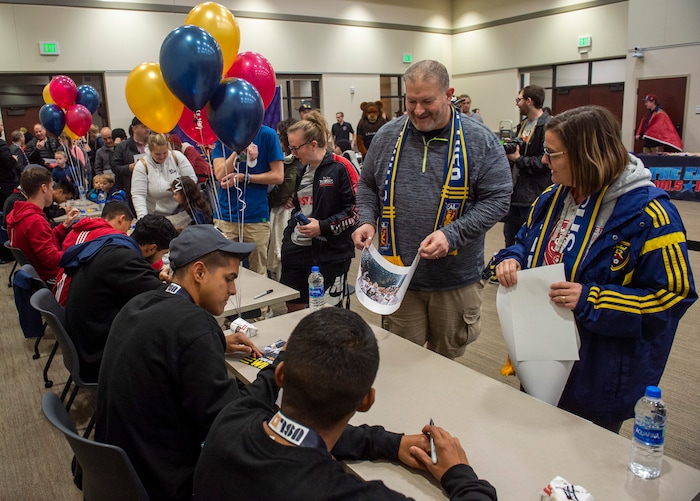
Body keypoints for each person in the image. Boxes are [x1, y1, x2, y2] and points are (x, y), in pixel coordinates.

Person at [493, 105, 697, 432]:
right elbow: (523, 241)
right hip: (540, 353)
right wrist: (511, 258)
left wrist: (592, 299)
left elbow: (673, 297)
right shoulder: (552, 197)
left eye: (551, 153)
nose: (543, 161)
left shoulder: (652, 215)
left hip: (599, 372)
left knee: (583, 464)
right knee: (531, 443)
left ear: (586, 156)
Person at [193, 308, 498, 501]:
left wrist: (391, 444)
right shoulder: (344, 492)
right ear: (367, 400)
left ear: (283, 374)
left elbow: (297, 428)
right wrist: (460, 475)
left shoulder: (233, 416)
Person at [95, 225, 281, 501]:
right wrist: (273, 373)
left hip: (115, 474)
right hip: (164, 482)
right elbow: (230, 421)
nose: (232, 290)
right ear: (199, 272)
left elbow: (168, 352)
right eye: (229, 279)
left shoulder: (142, 302)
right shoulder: (194, 327)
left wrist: (215, 340)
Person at [352, 60, 512, 360]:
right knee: (403, 362)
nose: (418, 110)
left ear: (448, 94)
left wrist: (452, 235)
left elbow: (499, 198)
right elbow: (367, 186)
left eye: (427, 101)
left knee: (446, 365)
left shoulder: (480, 140)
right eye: (411, 101)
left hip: (454, 281)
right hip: (397, 279)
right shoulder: (388, 136)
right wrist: (366, 220)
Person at [63, 214, 178, 381]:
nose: (161, 258)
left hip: (85, 339)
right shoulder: (125, 260)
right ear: (151, 248)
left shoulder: (115, 244)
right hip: (97, 355)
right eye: (163, 253)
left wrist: (155, 273)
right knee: (169, 345)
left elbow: (129, 275)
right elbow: (166, 299)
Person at [281, 111, 359, 312]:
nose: (293, 153)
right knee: (294, 306)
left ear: (313, 145)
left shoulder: (341, 167)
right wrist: (288, 239)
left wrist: (323, 227)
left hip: (330, 254)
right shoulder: (301, 169)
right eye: (290, 148)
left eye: (296, 148)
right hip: (297, 249)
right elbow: (299, 207)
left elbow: (355, 211)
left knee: (327, 313)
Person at [212, 124, 284, 276]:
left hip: (256, 215)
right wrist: (238, 151)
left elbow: (278, 176)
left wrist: (246, 178)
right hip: (226, 215)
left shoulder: (267, 135)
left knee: (258, 271)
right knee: (223, 269)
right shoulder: (224, 135)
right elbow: (220, 174)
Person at [53, 201, 134, 306]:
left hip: (63, 295)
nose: (126, 233)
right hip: (70, 303)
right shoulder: (113, 237)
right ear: (121, 219)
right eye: (127, 228)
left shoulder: (81, 229)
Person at [6, 166, 79, 281]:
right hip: (51, 277)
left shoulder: (17, 213)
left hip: (37, 274)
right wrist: (76, 249)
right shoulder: (35, 221)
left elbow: (43, 241)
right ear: (44, 188)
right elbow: (51, 261)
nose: (52, 191)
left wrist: (64, 225)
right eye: (51, 187)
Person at [503, 85, 551, 247]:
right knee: (510, 236)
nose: (517, 103)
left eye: (519, 99)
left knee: (528, 239)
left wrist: (519, 159)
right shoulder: (523, 125)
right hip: (516, 191)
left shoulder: (547, 126)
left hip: (533, 192)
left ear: (529, 101)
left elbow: (545, 161)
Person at [131, 133, 197, 219]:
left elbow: (192, 180)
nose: (162, 157)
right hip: (156, 215)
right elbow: (138, 195)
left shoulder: (177, 157)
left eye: (165, 153)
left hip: (182, 211)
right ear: (150, 151)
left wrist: (178, 191)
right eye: (157, 154)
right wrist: (143, 219)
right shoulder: (142, 166)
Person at [267, 118, 302, 284]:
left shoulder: (292, 163)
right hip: (287, 211)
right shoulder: (288, 161)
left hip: (287, 214)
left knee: (283, 252)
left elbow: (283, 192)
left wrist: (277, 199)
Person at [112, 117, 150, 198]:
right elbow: (115, 167)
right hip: (133, 188)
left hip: (153, 187)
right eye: (144, 127)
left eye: (148, 126)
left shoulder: (153, 144)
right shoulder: (122, 147)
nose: (148, 129)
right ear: (135, 128)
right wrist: (128, 168)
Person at [0, 119, 20, 208]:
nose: (2, 128)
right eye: (1, 126)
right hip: (6, 184)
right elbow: (9, 162)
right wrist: (14, 159)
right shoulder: (1, 144)